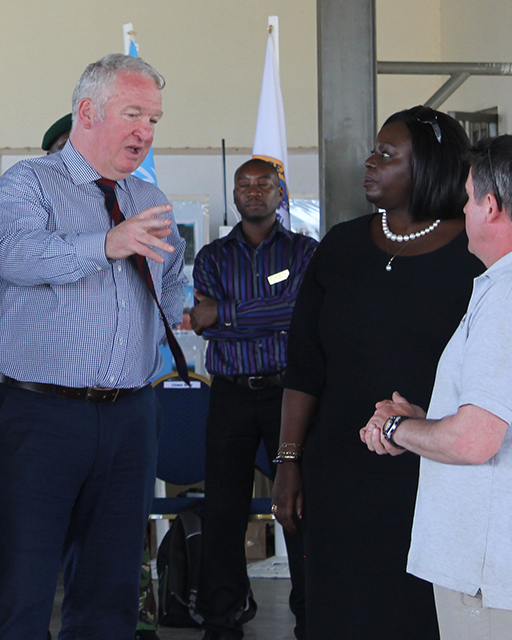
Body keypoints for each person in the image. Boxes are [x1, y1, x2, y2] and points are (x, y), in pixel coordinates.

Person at [0, 53, 186, 640]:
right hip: (41, 414)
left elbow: (170, 286)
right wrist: (108, 243)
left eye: (155, 119)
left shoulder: (148, 195)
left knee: (110, 592)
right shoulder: (29, 183)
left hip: (131, 417)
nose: (145, 131)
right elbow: (13, 259)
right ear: (88, 112)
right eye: (134, 114)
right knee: (20, 589)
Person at [362, 135, 512, 640]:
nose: (464, 209)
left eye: (470, 198)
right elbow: (503, 421)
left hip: (498, 573)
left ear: (490, 207)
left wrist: (398, 427)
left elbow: (474, 441)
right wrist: (430, 422)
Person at [271, 106, 483, 640]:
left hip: (432, 472)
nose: (370, 162)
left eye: (387, 155)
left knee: (417, 613)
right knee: (335, 609)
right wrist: (289, 461)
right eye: (375, 150)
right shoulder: (340, 246)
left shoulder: (475, 255)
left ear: (430, 167)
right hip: (338, 471)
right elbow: (305, 366)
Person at [191, 158, 316, 640]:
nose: (252, 191)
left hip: (290, 395)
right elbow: (203, 321)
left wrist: (226, 313)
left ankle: (310, 616)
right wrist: (264, 315)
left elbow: (300, 311)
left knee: (297, 506)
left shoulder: (306, 251)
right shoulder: (212, 257)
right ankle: (222, 619)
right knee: (223, 509)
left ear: (281, 192)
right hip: (230, 397)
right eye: (243, 184)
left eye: (264, 183)